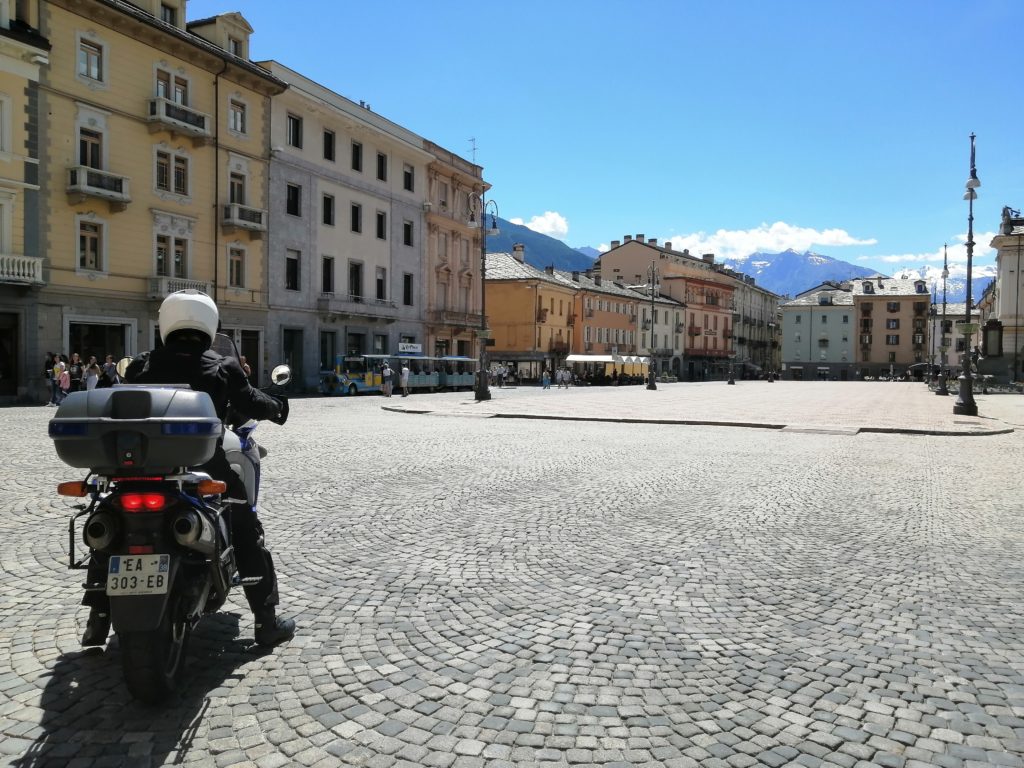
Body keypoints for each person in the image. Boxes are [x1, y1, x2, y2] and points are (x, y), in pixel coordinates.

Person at [80, 290, 295, 648]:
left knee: (111, 523)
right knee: (243, 525)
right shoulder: (221, 366)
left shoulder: (141, 365)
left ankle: (97, 620)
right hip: (202, 469)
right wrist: (276, 406)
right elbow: (250, 401)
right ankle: (266, 622)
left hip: (140, 469)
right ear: (209, 325)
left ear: (166, 323)